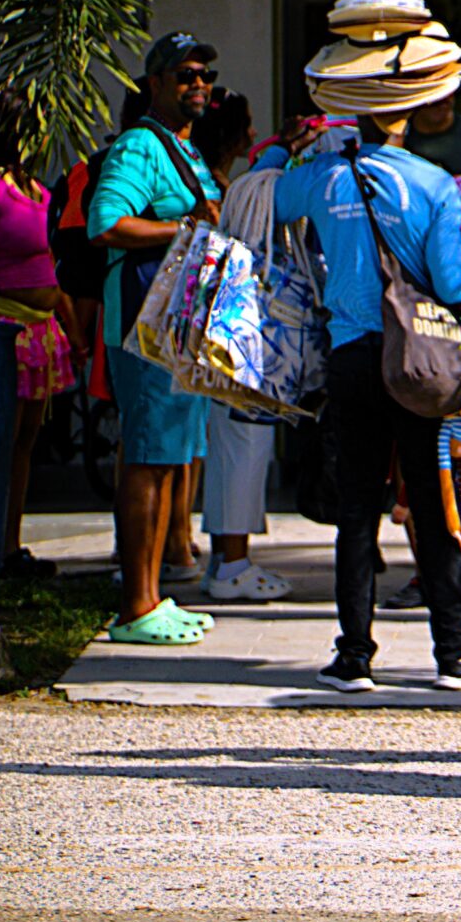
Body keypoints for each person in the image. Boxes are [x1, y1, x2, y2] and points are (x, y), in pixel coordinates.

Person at [259, 105, 461, 690]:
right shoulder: (430, 182)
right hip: (415, 360)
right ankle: (454, 651)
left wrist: (281, 145)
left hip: (349, 354)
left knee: (356, 508)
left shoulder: (321, 176)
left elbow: (265, 194)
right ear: (406, 115)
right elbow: (450, 282)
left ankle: (354, 657)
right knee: (427, 497)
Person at [85, 33, 225, 645]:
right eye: (186, 75)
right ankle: (135, 605)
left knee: (170, 461)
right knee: (145, 460)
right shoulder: (140, 145)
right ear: (157, 84)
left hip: (181, 329)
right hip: (144, 327)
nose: (199, 84)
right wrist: (179, 228)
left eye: (205, 76)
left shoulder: (184, 149)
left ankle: (155, 592)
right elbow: (106, 224)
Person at [181, 90, 291, 604]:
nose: (253, 134)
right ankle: (234, 563)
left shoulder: (218, 184)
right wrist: (283, 151)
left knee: (233, 445)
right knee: (245, 445)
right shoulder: (230, 190)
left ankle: (227, 560)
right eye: (247, 125)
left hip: (222, 332)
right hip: (236, 334)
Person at [0, 90, 74, 584]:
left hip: (40, 332)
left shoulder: (36, 189)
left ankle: (9, 546)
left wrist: (72, 328)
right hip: (3, 330)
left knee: (24, 444)